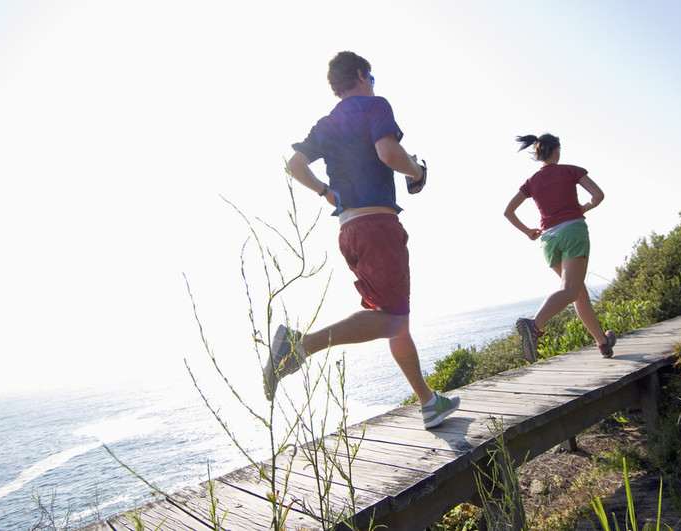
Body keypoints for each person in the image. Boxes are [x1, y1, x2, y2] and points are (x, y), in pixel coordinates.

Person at [263, 51, 460, 429]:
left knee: (394, 319)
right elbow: (389, 152)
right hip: (378, 226)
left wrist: (325, 191)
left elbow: (295, 165)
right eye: (372, 77)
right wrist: (416, 171)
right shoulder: (375, 106)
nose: (373, 83)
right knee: (393, 319)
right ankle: (299, 346)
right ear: (360, 74)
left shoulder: (326, 124)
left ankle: (429, 402)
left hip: (349, 229)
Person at [504, 133, 616, 363]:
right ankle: (533, 325)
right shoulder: (571, 171)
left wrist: (528, 232)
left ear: (538, 154)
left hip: (549, 241)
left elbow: (508, 211)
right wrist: (584, 208)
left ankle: (603, 343)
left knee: (578, 292)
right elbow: (598, 195)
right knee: (571, 289)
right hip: (572, 232)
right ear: (557, 150)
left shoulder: (532, 181)